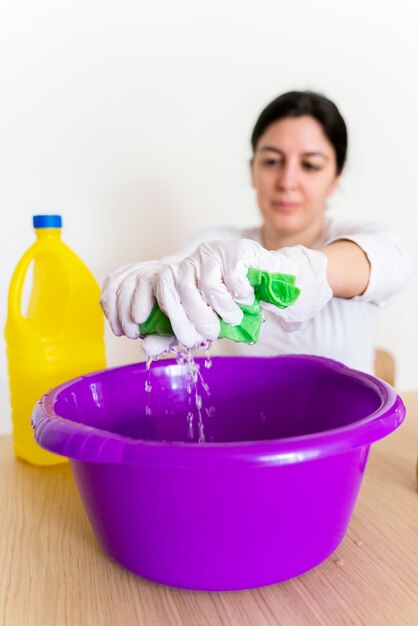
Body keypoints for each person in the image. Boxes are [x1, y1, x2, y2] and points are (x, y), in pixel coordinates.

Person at [100, 91, 411, 374]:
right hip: (251, 431)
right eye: (272, 161)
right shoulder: (219, 245)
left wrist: (299, 271)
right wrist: (150, 282)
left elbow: (390, 262)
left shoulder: (358, 235)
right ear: (253, 170)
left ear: (335, 178)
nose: (287, 182)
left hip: (347, 433)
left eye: (310, 165)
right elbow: (177, 267)